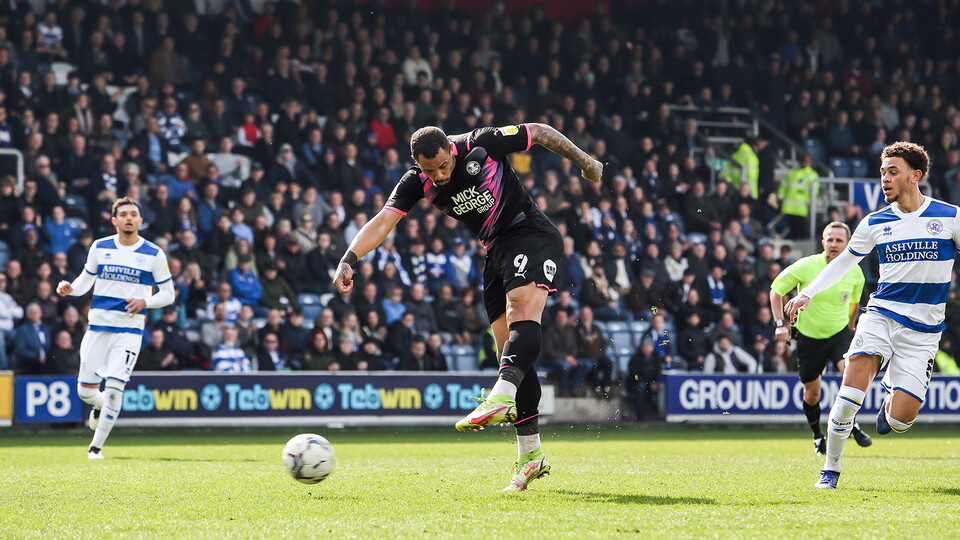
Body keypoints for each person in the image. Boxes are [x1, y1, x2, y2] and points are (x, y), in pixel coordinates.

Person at [332, 123, 602, 491]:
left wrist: (585, 162)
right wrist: (349, 258)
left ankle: (500, 396)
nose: (439, 176)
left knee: (522, 310)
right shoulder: (417, 181)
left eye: (443, 166)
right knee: (508, 348)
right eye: (430, 170)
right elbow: (383, 220)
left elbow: (538, 132)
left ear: (450, 149)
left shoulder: (482, 143)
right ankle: (531, 456)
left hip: (531, 233)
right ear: (417, 163)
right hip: (495, 253)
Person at [785, 142, 959, 490]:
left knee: (899, 422)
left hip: (923, 332)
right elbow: (844, 264)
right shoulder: (875, 222)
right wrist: (807, 292)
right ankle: (830, 471)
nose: (885, 178)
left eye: (893, 171)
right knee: (849, 396)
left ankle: (892, 392)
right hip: (880, 316)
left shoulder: (950, 216)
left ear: (916, 175)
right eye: (882, 172)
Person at [56, 197, 175, 459]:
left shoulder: (154, 254)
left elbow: (169, 294)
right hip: (98, 328)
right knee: (85, 392)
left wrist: (146, 301)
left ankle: (95, 448)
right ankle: (98, 408)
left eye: (134, 214)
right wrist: (70, 289)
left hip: (129, 332)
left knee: (114, 390)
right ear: (114, 220)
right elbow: (84, 281)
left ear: (141, 220)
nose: (129, 218)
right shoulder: (100, 247)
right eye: (124, 214)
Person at [770, 221, 872, 456]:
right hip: (809, 338)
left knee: (851, 376)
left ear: (848, 244)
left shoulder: (855, 271)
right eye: (831, 239)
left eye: (839, 240)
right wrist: (779, 324)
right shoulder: (806, 266)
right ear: (822, 242)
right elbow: (776, 290)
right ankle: (818, 436)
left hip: (839, 334)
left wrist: (851, 328)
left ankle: (849, 423)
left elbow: (854, 303)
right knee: (812, 394)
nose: (835, 244)